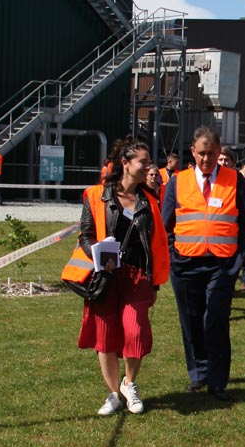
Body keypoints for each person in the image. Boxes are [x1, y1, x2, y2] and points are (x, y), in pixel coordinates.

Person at [61, 139, 170, 415]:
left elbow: (156, 243)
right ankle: (112, 394)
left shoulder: (149, 200)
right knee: (106, 336)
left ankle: (129, 383)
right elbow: (85, 234)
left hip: (137, 277)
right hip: (105, 277)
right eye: (143, 162)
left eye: (148, 162)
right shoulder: (96, 195)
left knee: (135, 331)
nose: (148, 167)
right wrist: (97, 254)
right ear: (125, 164)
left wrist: (155, 282)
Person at [161, 126, 245, 400]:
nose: (206, 159)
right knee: (190, 322)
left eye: (211, 153)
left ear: (219, 151)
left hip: (221, 266)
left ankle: (217, 380)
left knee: (215, 320)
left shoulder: (235, 180)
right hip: (185, 264)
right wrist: (172, 256)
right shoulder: (178, 182)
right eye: (201, 154)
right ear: (193, 152)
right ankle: (198, 374)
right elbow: (165, 223)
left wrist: (239, 260)